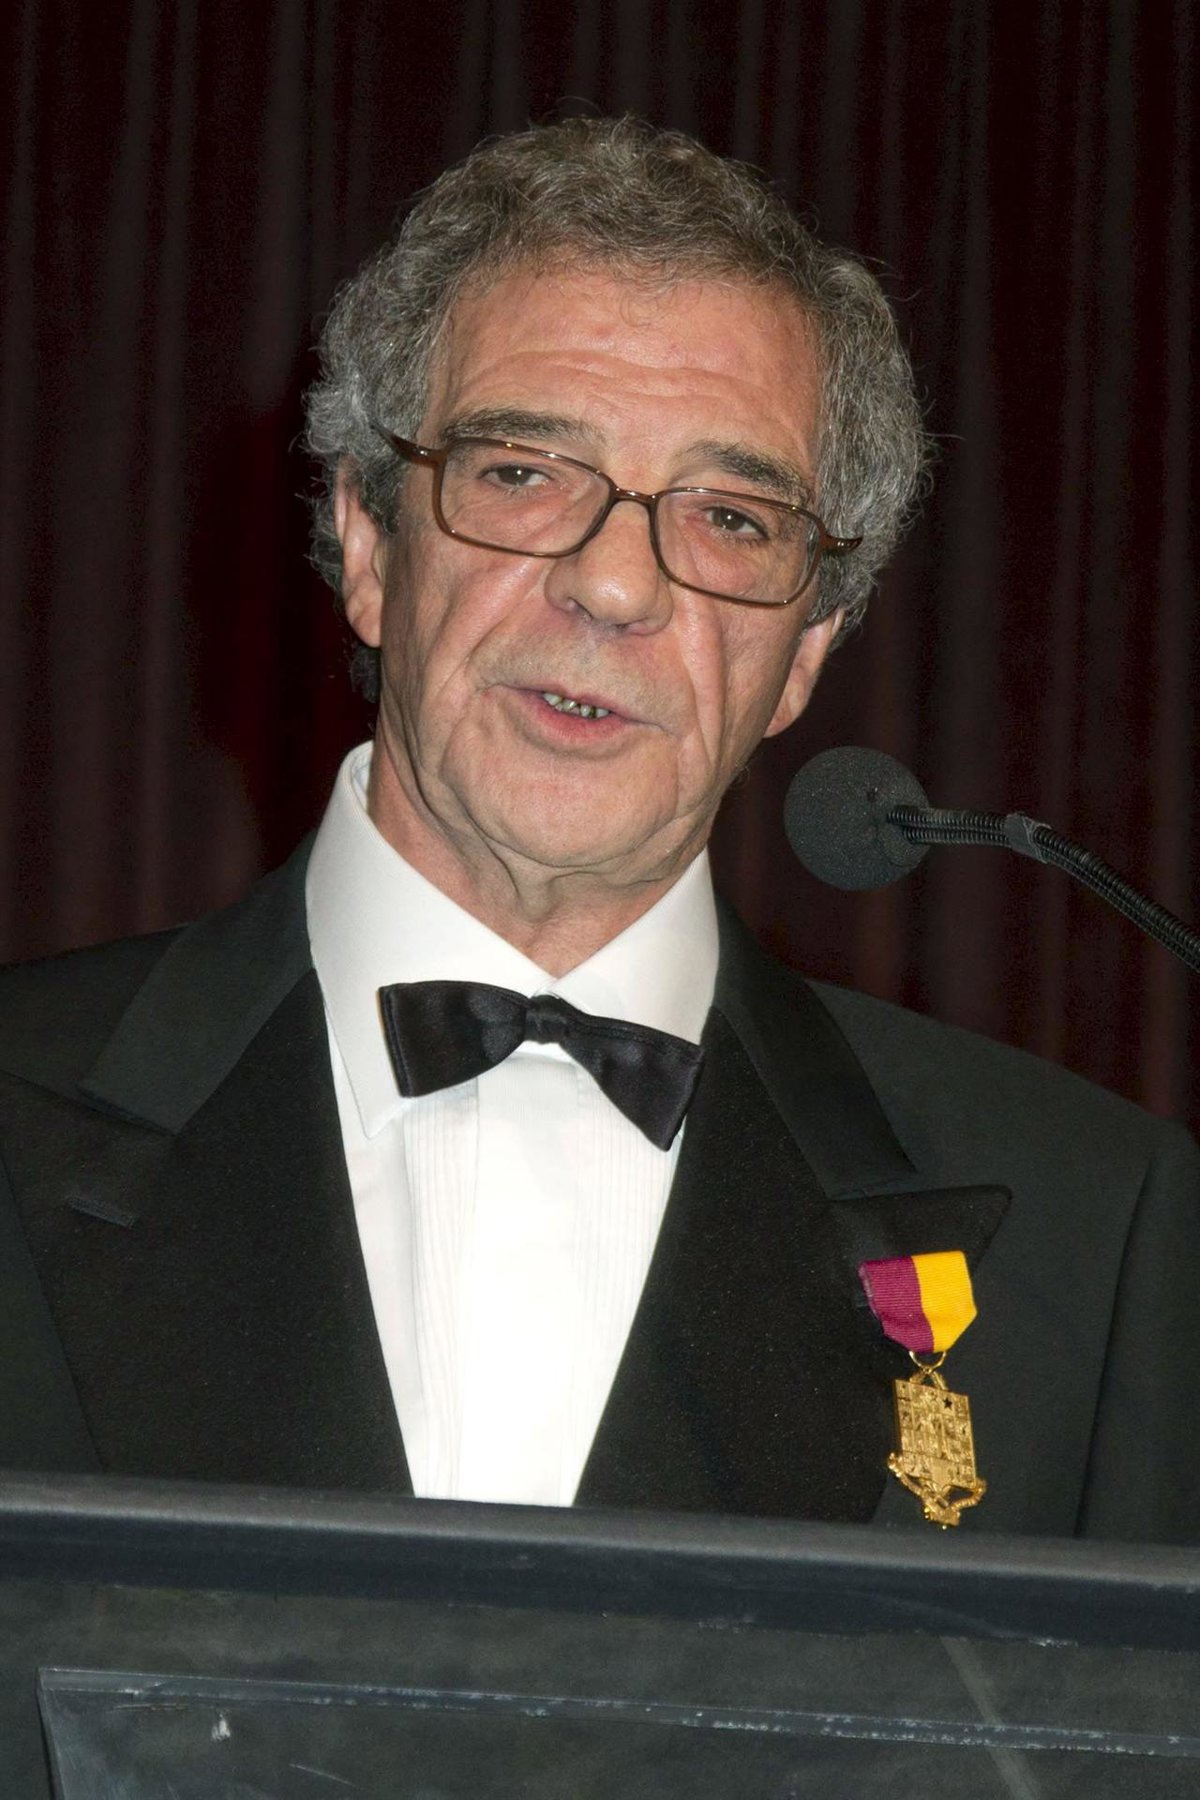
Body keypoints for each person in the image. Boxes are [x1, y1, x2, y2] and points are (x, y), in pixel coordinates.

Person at [1, 117, 1197, 1540]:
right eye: (522, 472)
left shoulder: (1098, 1233)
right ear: (369, 543)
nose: (617, 587)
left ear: (806, 650)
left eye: (731, 517)